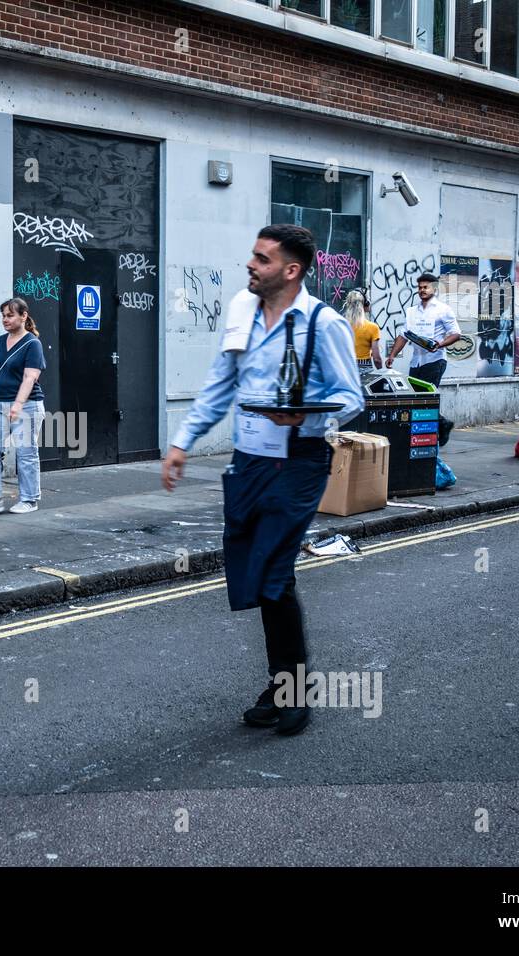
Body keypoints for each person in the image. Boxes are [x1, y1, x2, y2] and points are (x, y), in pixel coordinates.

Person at [161, 225, 363, 736]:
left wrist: (309, 417)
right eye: (253, 256)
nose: (250, 265)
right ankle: (282, 683)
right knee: (256, 575)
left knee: (273, 572)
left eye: (262, 259)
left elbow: (352, 396)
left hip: (299, 459)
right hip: (249, 460)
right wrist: (184, 441)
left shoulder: (325, 323)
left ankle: (293, 689)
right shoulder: (242, 311)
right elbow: (221, 381)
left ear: (291, 270)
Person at [0, 297, 45, 516]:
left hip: (27, 406)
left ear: (24, 316)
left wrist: (18, 404)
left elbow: (30, 377)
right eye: (3, 315)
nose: (5, 319)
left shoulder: (33, 344)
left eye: (10, 315)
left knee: (25, 453)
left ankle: (29, 499)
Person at [385, 271, 460, 444]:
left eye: (425, 287)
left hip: (435, 360)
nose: (422, 290)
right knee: (415, 398)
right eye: (419, 287)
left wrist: (439, 344)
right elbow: (403, 335)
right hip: (416, 362)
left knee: (426, 396)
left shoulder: (443, 310)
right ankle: (440, 425)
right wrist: (392, 355)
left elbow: (456, 334)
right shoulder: (412, 312)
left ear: (434, 288)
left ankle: (431, 432)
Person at [344, 288, 382, 370]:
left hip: (346, 368)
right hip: (365, 370)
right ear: (366, 303)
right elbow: (377, 359)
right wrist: (381, 372)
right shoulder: (372, 327)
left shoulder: (342, 325)